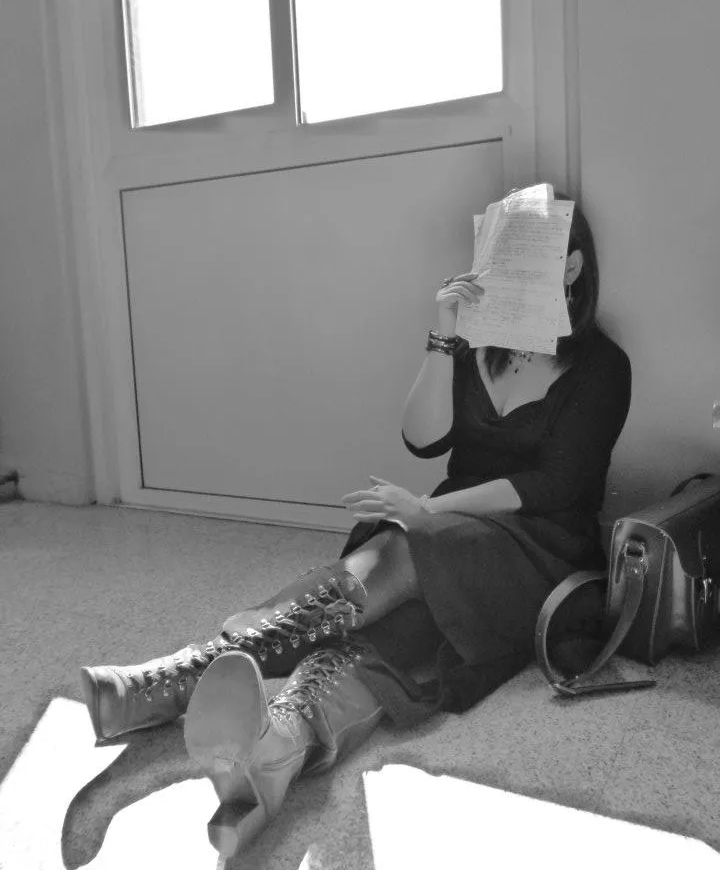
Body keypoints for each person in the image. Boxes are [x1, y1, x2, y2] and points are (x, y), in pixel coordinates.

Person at [80, 188, 631, 857]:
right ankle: (276, 749)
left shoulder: (602, 366)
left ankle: (177, 679)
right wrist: (446, 333)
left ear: (571, 265)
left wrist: (429, 510)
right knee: (401, 632)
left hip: (540, 550)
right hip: (450, 530)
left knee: (405, 549)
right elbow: (423, 440)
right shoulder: (481, 345)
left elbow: (555, 486)